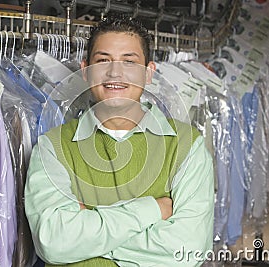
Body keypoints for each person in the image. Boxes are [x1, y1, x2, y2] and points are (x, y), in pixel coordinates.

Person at [25, 16, 214, 267]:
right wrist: (152, 210)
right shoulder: (52, 147)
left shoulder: (187, 145)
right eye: (103, 61)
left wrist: (86, 233)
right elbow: (54, 242)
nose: (115, 72)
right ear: (86, 70)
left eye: (129, 61)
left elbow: (187, 249)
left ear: (149, 73)